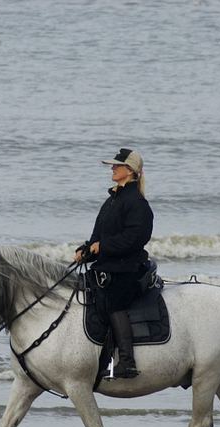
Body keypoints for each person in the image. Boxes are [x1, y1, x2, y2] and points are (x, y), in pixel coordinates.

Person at [74, 148, 153, 379]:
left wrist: (104, 246)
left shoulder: (137, 203)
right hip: (107, 266)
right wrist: (86, 250)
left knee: (113, 302)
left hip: (127, 269)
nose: (112, 168)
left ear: (129, 171)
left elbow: (135, 238)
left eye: (116, 166)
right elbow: (98, 235)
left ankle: (126, 361)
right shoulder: (112, 200)